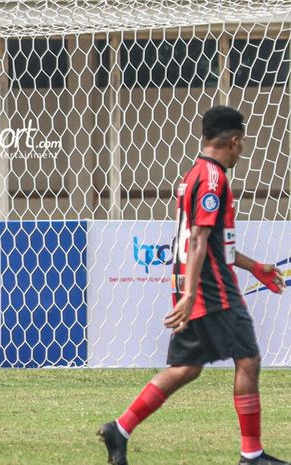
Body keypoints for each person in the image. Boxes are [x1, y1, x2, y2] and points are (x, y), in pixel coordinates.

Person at [98, 106, 288, 465]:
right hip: (212, 288)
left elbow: (215, 242)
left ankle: (119, 429)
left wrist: (255, 268)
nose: (241, 151)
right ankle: (252, 455)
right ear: (233, 141)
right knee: (248, 359)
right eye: (241, 144)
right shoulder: (214, 179)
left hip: (199, 283)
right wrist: (189, 295)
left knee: (187, 367)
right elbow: (199, 239)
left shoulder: (194, 174)